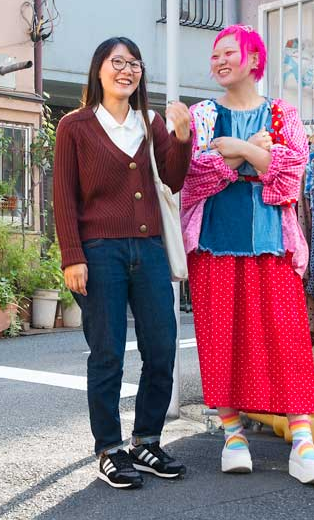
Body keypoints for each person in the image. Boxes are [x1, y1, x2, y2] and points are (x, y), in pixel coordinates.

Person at [181, 24, 314, 485]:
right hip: (213, 241)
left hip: (273, 241)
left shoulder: (283, 112)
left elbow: (292, 173)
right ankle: (233, 435)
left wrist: (239, 150)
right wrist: (251, 158)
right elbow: (194, 175)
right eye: (214, 56)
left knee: (286, 338)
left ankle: (303, 443)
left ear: (253, 59)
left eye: (228, 52)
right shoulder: (202, 114)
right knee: (220, 338)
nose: (219, 61)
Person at [53, 37, 193, 490]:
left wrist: (182, 137)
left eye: (134, 64)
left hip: (149, 248)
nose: (126, 71)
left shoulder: (149, 122)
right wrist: (73, 256)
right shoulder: (74, 127)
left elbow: (172, 178)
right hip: (99, 253)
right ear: (99, 70)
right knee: (108, 352)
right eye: (118, 62)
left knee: (162, 347)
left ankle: (146, 440)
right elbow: (63, 199)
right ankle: (110, 448)